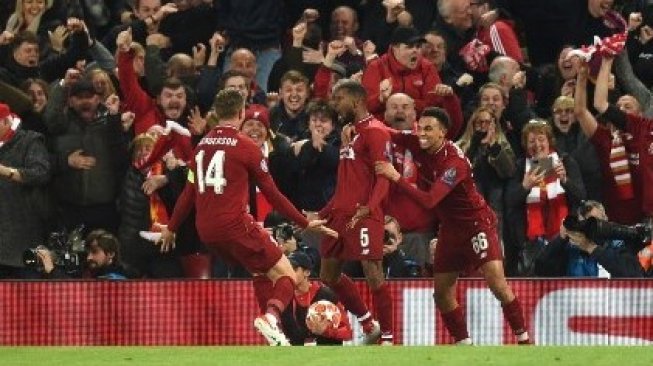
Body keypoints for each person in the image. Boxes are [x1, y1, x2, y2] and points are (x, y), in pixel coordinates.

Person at [158, 89, 336, 346]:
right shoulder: (247, 148)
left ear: (217, 114)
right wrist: (305, 222)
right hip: (235, 225)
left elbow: (188, 193)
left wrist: (171, 228)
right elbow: (273, 194)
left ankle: (275, 338)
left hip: (207, 231)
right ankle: (271, 318)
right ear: (241, 113)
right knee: (287, 274)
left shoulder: (200, 148)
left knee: (261, 272)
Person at [375, 106, 530, 344]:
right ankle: (463, 345)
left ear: (442, 133)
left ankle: (524, 340)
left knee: (497, 283)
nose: (422, 133)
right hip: (450, 228)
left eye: (429, 129)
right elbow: (387, 132)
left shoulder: (454, 162)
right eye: (420, 127)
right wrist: (358, 129)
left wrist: (395, 176)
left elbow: (429, 200)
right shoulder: (418, 142)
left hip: (476, 224)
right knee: (441, 293)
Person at [317, 79, 393, 345]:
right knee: (328, 275)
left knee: (373, 272)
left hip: (363, 214)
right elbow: (347, 181)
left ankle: (387, 339)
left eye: (339, 99)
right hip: (339, 214)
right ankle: (368, 325)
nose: (335, 105)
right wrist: (322, 213)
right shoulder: (351, 134)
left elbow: (384, 178)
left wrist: (370, 209)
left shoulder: (375, 131)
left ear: (357, 100)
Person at [0, 102, 51, 279]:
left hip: (22, 233)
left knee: (27, 298)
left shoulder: (29, 140)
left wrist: (8, 172)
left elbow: (41, 173)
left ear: (6, 122)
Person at [280, 250, 353, 346]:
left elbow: (347, 333)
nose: (289, 274)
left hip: (327, 355)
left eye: (294, 269)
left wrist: (326, 331)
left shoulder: (326, 295)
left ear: (307, 272)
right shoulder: (284, 298)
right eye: (287, 270)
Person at [38, 229, 134, 279]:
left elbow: (77, 291)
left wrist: (52, 270)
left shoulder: (117, 278)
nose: (89, 257)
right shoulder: (89, 270)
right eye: (88, 252)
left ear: (111, 254)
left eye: (95, 252)